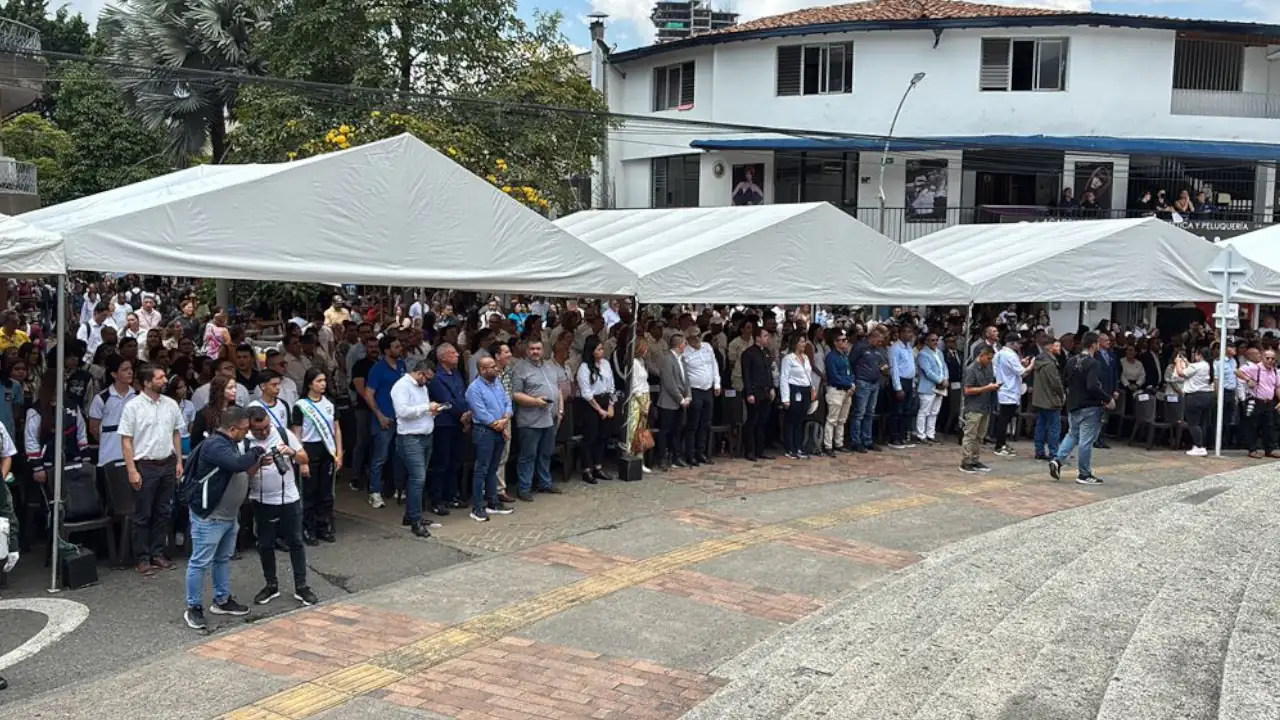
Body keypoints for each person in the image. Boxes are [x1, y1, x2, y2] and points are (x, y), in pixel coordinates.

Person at [182, 406, 269, 631]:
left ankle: (222, 600)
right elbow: (237, 464)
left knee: (222, 559)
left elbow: (241, 471)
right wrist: (257, 451)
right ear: (231, 429)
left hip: (228, 515)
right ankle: (194, 607)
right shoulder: (215, 445)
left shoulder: (229, 444)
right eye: (244, 429)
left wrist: (257, 462)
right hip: (210, 516)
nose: (247, 433)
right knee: (200, 562)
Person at [245, 406, 318, 608]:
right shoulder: (246, 441)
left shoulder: (283, 434)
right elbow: (243, 473)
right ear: (250, 427)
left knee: (296, 542)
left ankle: (301, 586)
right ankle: (271, 584)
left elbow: (305, 458)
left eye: (266, 427)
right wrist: (258, 464)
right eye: (258, 430)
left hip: (289, 498)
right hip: (262, 500)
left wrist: (291, 452)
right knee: (265, 544)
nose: (264, 432)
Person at [118, 364, 185, 576]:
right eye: (160, 378)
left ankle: (158, 553)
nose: (165, 381)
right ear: (147, 382)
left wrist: (179, 461)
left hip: (167, 462)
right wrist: (131, 470)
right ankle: (142, 558)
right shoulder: (133, 407)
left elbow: (176, 434)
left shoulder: (171, 404)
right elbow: (126, 440)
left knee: (163, 511)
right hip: (145, 464)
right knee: (142, 514)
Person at [1050, 332, 1112, 485]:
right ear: (1094, 345)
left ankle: (1058, 460)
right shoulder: (1093, 363)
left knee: (1072, 434)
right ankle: (1084, 473)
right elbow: (1092, 385)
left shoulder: (1071, 361)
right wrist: (1107, 398)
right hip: (1089, 405)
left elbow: (1065, 381)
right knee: (1086, 440)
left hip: (1073, 403)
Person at [390, 360, 440, 537]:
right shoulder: (401, 386)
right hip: (410, 437)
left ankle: (411, 515)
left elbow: (420, 411)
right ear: (420, 373)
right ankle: (415, 520)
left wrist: (432, 412)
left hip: (425, 435)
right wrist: (427, 407)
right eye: (428, 378)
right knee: (418, 478)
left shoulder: (422, 387)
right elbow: (402, 411)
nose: (428, 382)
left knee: (418, 478)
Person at [292, 368, 341, 543]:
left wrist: (339, 453)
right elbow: (297, 433)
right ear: (310, 384)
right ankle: (308, 528)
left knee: (326, 491)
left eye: (324, 381)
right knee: (310, 490)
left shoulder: (329, 403)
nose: (323, 384)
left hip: (327, 449)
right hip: (309, 449)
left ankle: (323, 526)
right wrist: (302, 459)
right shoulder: (301, 406)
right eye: (319, 381)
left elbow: (336, 429)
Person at [511, 339, 564, 499]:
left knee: (546, 453)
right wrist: (535, 401)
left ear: (543, 350)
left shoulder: (550, 367)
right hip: (530, 419)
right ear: (527, 350)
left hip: (550, 417)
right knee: (528, 455)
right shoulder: (519, 368)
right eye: (532, 348)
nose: (535, 351)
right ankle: (524, 488)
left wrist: (560, 410)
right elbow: (515, 394)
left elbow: (558, 389)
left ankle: (544, 483)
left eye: (538, 348)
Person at [465, 357, 514, 522]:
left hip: (499, 428)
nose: (496, 369)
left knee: (493, 467)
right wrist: (498, 425)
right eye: (492, 367)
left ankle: (493, 503)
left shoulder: (497, 383)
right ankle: (477, 507)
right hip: (484, 431)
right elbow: (480, 412)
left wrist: (505, 420)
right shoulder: (474, 389)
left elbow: (507, 402)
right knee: (482, 469)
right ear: (482, 370)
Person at [576, 336, 616, 481]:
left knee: (602, 436)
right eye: (599, 349)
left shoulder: (606, 364)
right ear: (592, 351)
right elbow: (586, 392)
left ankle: (598, 466)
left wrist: (611, 405)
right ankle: (587, 469)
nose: (602, 351)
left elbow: (611, 385)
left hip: (605, 399)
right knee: (590, 437)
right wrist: (599, 409)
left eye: (602, 348)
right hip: (591, 403)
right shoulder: (584, 368)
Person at [960, 346, 999, 474]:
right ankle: (966, 461)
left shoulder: (989, 367)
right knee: (970, 435)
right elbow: (967, 390)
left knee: (980, 435)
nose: (990, 361)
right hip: (974, 407)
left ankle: (975, 459)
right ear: (981, 355)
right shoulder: (971, 369)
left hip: (985, 405)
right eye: (988, 358)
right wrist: (986, 388)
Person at [992, 333, 1031, 457]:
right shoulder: (1010, 355)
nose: (1020, 345)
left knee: (1005, 418)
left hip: (1003, 387)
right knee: (1004, 419)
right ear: (1012, 343)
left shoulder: (999, 353)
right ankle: (999, 445)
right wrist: (1031, 365)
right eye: (1018, 343)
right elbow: (1023, 373)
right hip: (1009, 389)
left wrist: (1021, 364)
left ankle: (1002, 443)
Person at [741, 327, 774, 462]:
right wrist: (749, 393)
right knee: (752, 421)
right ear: (757, 338)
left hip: (765, 391)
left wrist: (771, 387)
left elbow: (769, 372)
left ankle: (760, 450)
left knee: (763, 421)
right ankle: (750, 450)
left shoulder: (766, 352)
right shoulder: (748, 353)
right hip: (754, 391)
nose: (768, 338)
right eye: (765, 336)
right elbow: (746, 375)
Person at [779, 334, 813, 459]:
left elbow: (808, 375)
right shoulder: (788, 359)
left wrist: (812, 389)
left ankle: (799, 446)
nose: (804, 344)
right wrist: (785, 398)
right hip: (794, 389)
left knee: (800, 420)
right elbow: (784, 378)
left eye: (805, 342)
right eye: (801, 342)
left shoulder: (806, 357)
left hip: (805, 389)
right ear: (795, 343)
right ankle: (790, 447)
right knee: (791, 420)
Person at [1176, 348, 1214, 457]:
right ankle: (1201, 445)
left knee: (1193, 423)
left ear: (1200, 355)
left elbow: (1181, 373)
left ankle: (1199, 446)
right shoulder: (1209, 365)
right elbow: (1193, 369)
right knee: (1202, 423)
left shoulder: (1197, 366)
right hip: (1208, 396)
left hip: (1195, 396)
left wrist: (1178, 362)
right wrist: (1187, 362)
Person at [1031, 340, 1065, 461]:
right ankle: (1053, 453)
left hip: (1040, 399)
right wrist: (1062, 394)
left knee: (1041, 425)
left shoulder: (1039, 361)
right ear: (1050, 347)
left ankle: (1039, 451)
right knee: (1054, 427)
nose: (1059, 348)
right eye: (1057, 345)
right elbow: (1055, 383)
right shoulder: (1050, 364)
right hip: (1051, 399)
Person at [822, 330, 854, 457]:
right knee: (832, 420)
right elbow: (834, 376)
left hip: (847, 391)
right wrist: (848, 384)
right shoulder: (831, 357)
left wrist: (851, 383)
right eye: (843, 340)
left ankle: (839, 443)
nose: (846, 342)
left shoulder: (844, 356)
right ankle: (828, 445)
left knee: (842, 419)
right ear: (836, 342)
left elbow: (850, 372)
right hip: (836, 390)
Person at [913, 332, 947, 445]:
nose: (935, 342)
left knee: (934, 411)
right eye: (932, 340)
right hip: (928, 386)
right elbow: (928, 372)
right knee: (924, 411)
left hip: (940, 387)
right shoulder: (923, 354)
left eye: (936, 340)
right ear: (926, 341)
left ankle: (930, 434)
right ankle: (921, 434)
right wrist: (940, 380)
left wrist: (946, 379)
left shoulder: (939, 352)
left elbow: (944, 367)